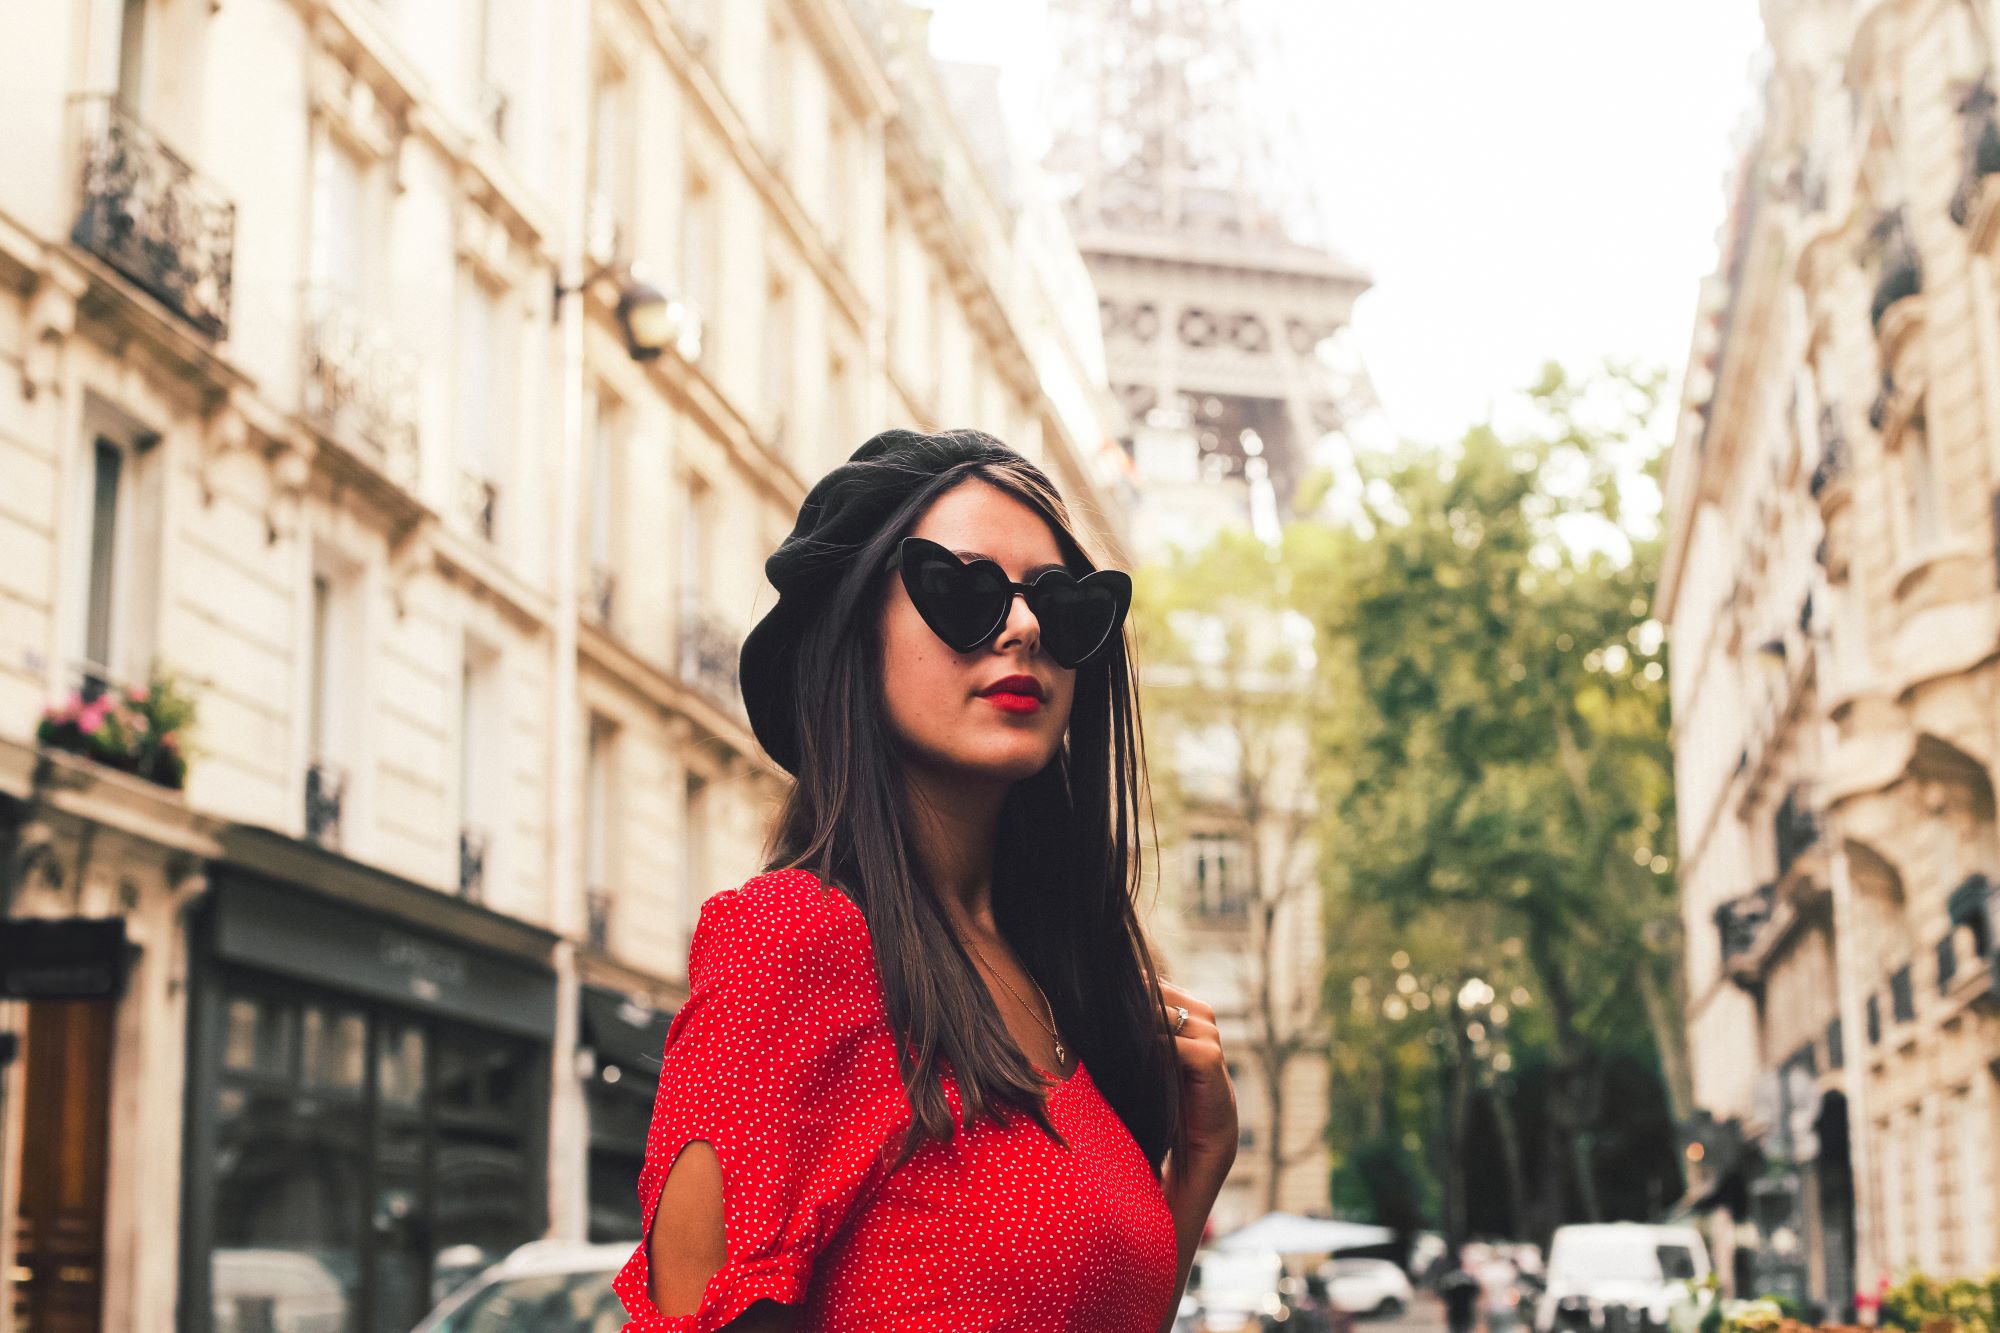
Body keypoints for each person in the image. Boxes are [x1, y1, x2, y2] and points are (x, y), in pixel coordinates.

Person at [612, 429, 1239, 1331]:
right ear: (856, 633)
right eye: (964, 590)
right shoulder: (790, 941)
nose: (1023, 626)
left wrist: (1200, 1164)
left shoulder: (1048, 973)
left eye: (1062, 607)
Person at [1438, 1252, 1482, 1333]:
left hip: (1453, 1311)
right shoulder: (1471, 1279)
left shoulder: (1448, 1280)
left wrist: (1444, 1313)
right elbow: (1477, 1296)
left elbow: (1444, 1299)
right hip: (1467, 1311)